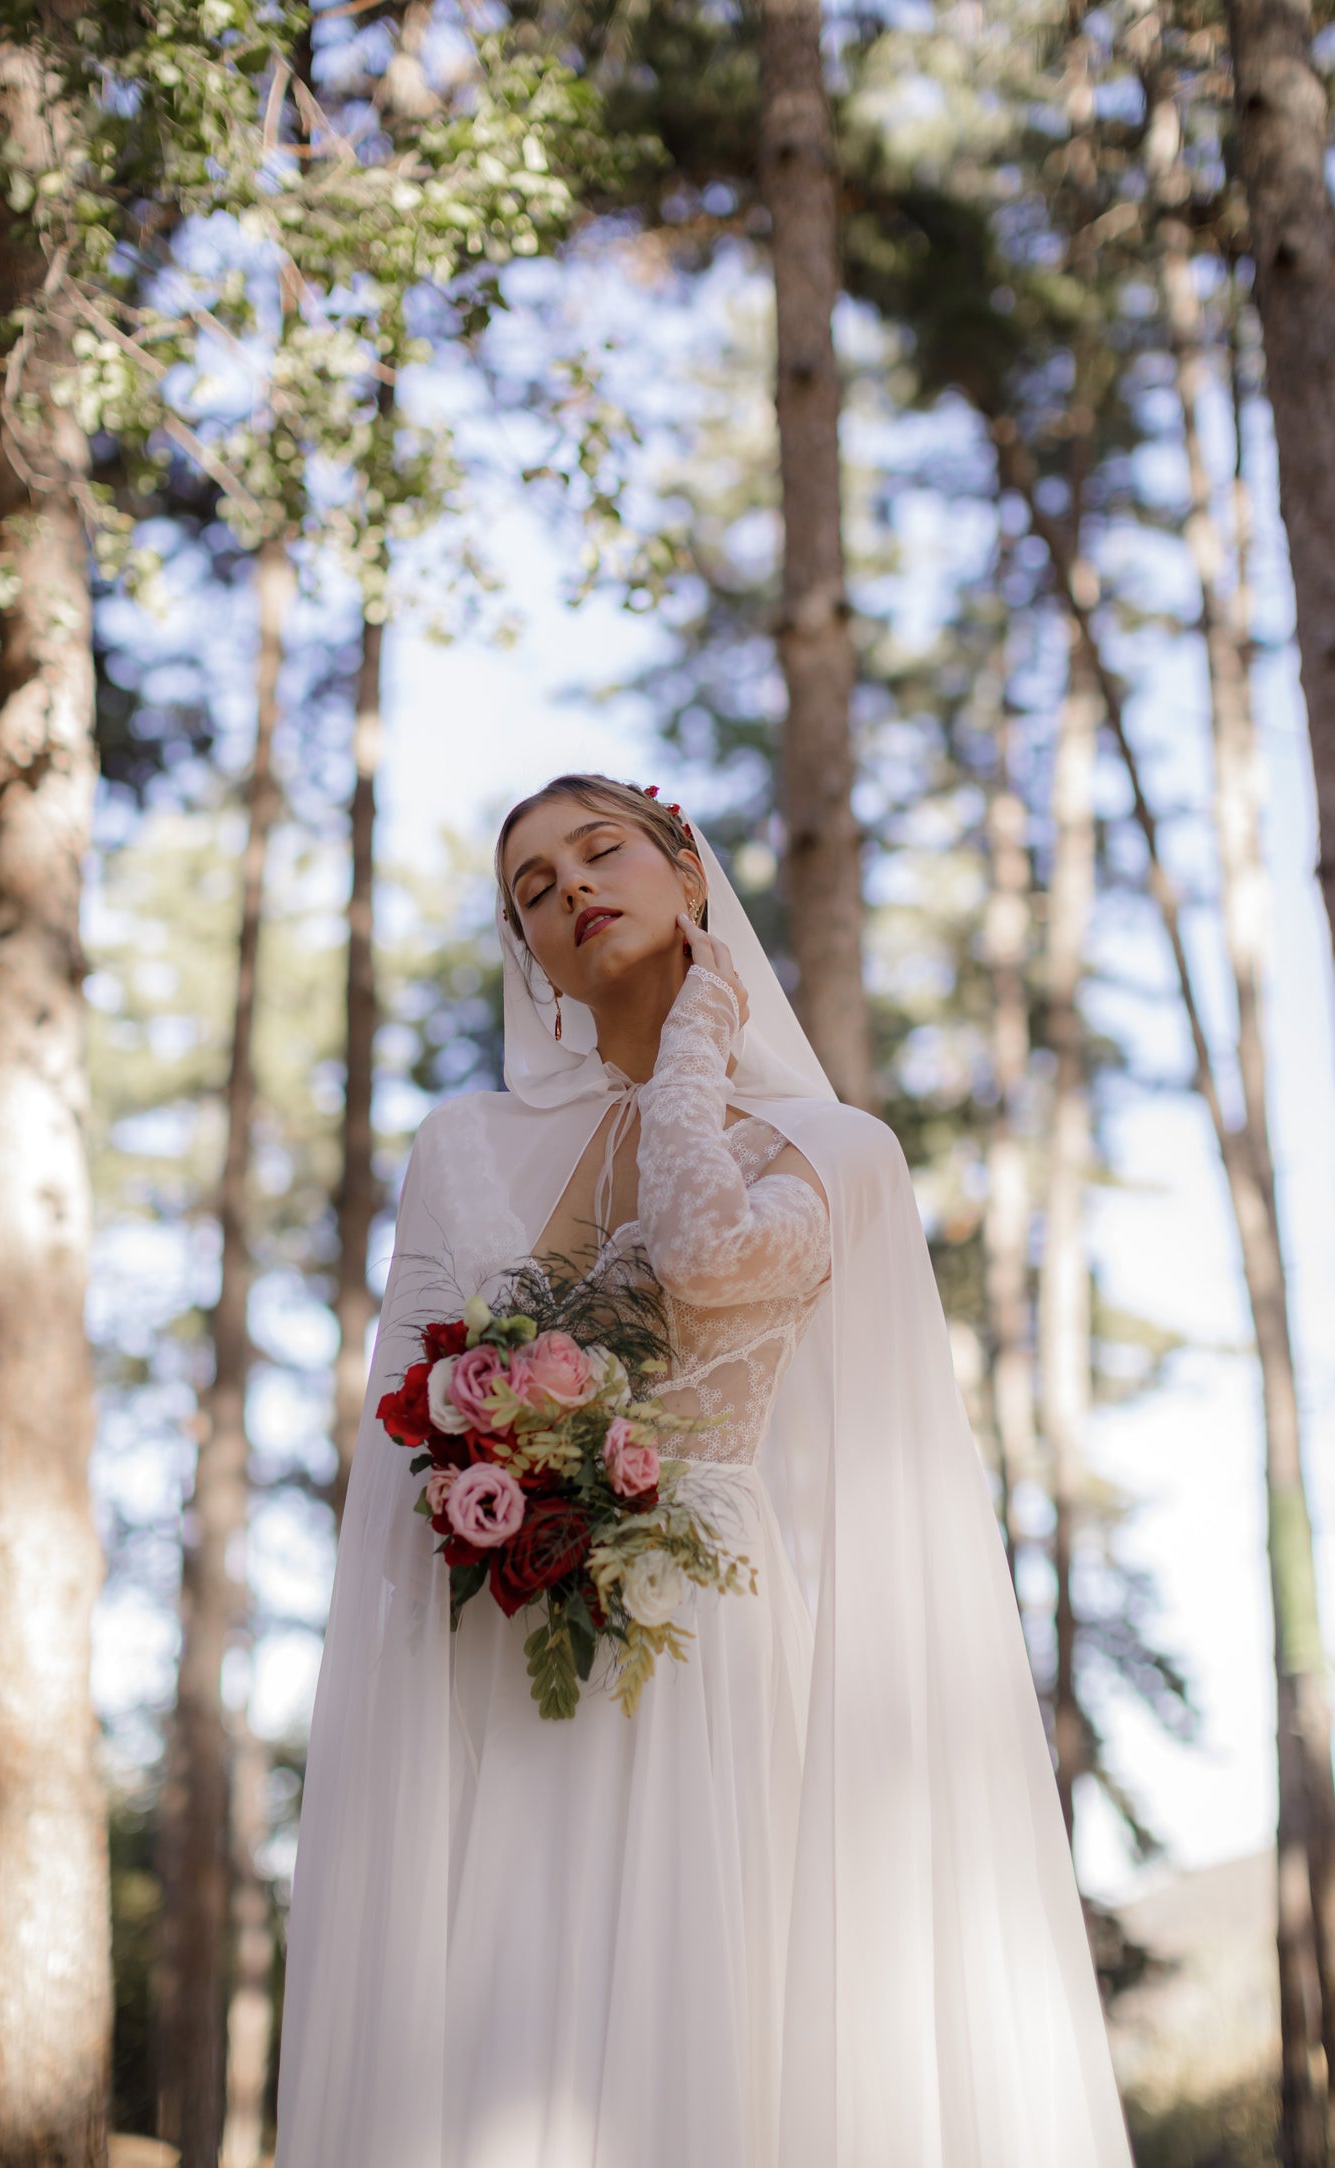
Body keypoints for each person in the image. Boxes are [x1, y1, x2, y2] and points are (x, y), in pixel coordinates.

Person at [273, 773, 1135, 2168]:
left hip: (706, 1642)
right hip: (516, 1639)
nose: (569, 892)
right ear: (528, 959)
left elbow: (707, 1254)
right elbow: (408, 1418)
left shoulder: (842, 1153)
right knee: (517, 2037)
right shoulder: (466, 1151)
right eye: (532, 892)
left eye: (598, 852)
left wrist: (696, 1043)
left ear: (689, 873)